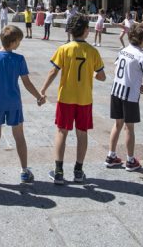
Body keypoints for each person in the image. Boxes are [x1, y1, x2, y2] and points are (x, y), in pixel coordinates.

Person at [0, 25, 44, 185]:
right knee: (19, 137)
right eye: (19, 41)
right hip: (14, 104)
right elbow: (26, 82)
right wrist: (38, 96)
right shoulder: (19, 59)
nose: (19, 44)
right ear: (13, 42)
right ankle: (24, 171)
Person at [40, 14, 106, 185]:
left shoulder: (64, 49)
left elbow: (53, 71)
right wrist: (92, 74)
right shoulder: (93, 51)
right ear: (86, 31)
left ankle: (58, 171)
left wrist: (43, 90)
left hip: (66, 97)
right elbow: (102, 76)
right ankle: (78, 170)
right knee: (82, 133)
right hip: (84, 98)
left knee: (61, 132)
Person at [106, 24, 143, 172]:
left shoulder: (123, 51)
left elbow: (121, 70)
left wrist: (136, 84)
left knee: (117, 124)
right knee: (129, 128)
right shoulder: (142, 56)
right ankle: (130, 160)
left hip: (116, 91)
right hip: (130, 96)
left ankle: (111, 156)